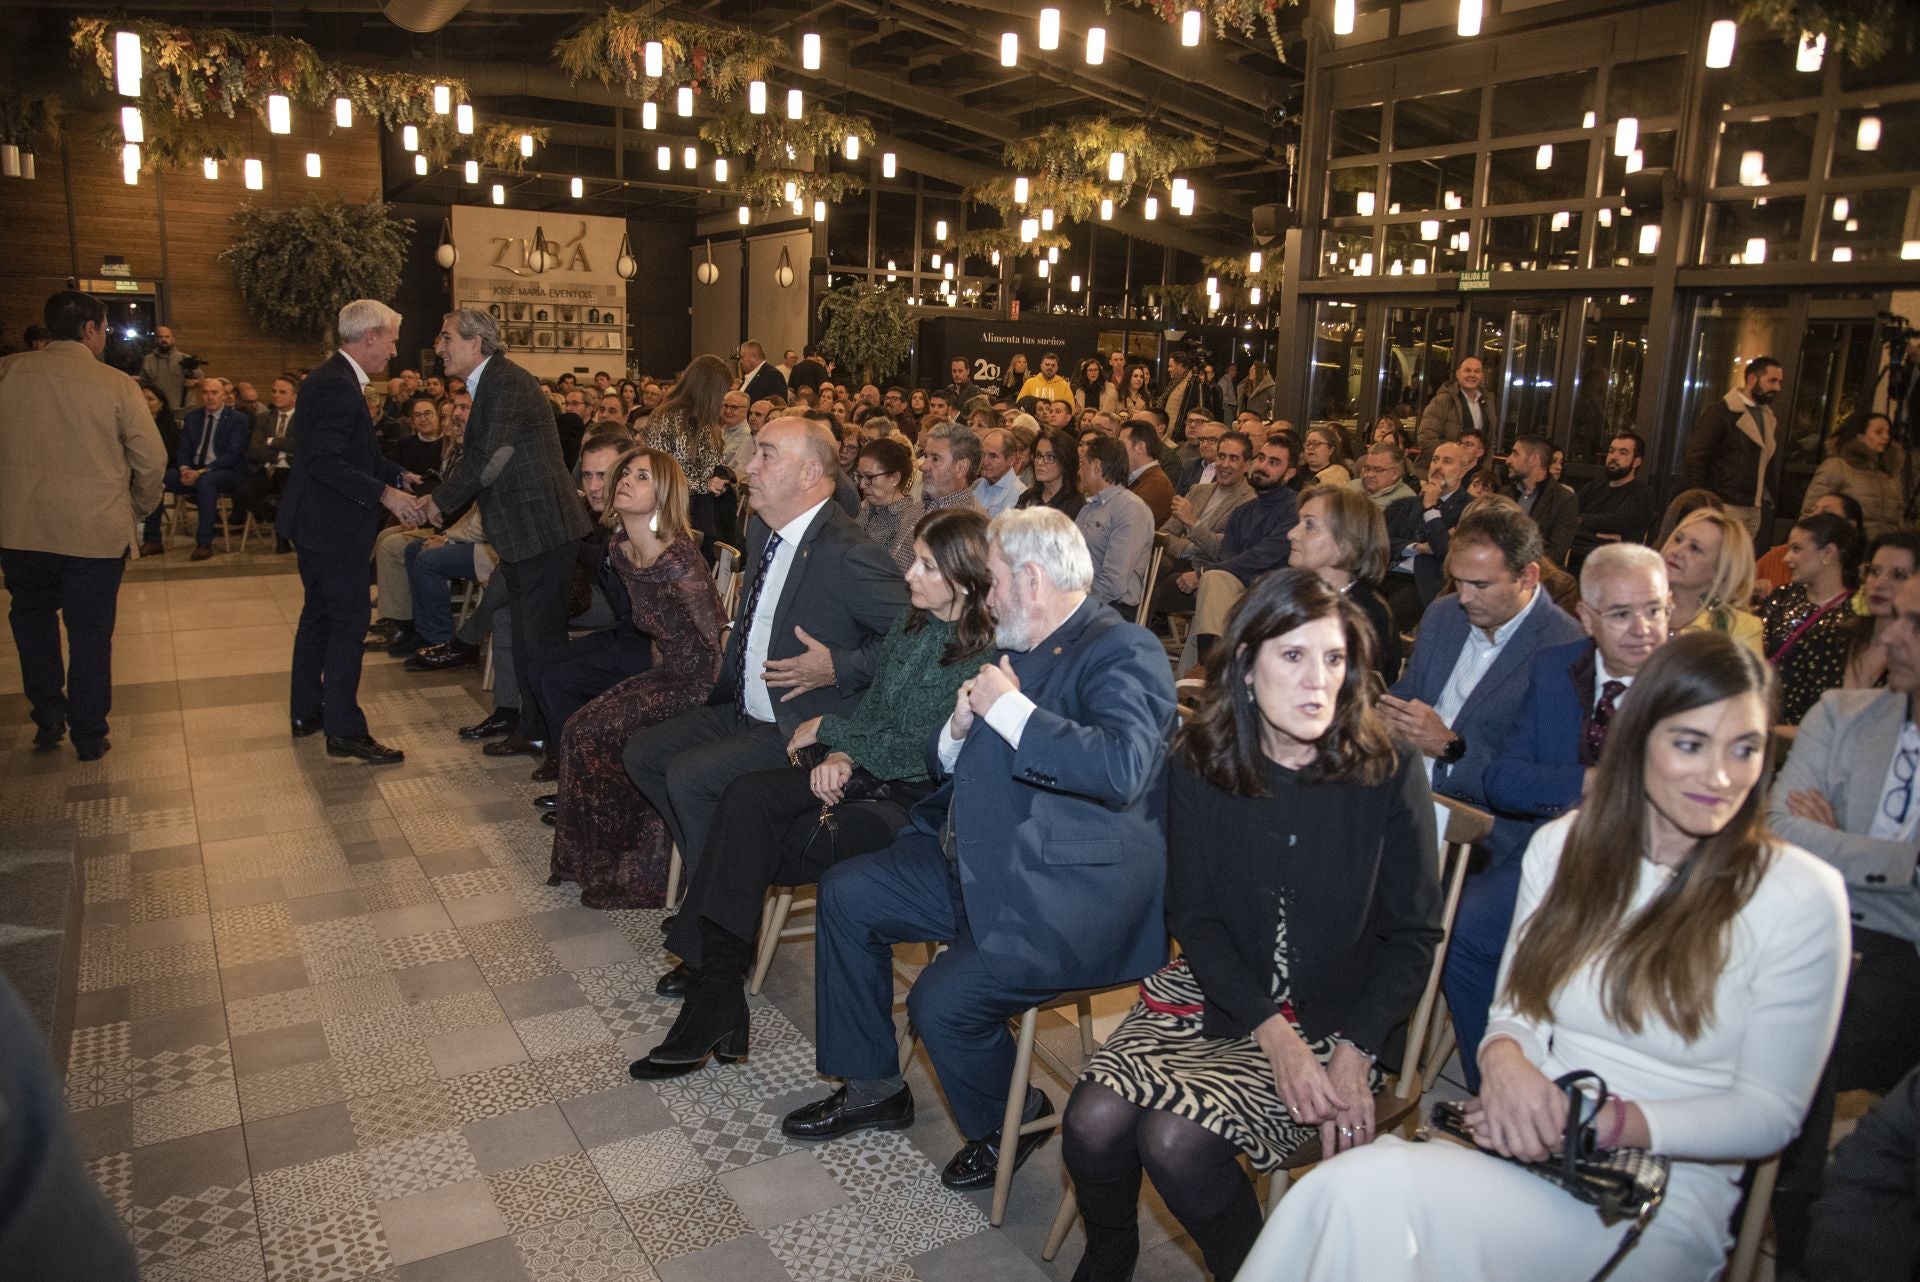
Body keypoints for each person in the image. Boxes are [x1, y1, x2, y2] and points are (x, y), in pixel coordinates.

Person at [1245, 630, 1850, 1282]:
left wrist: (1598, 1121)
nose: (1720, 776)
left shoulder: (1799, 895)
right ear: (1639, 738)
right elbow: (1518, 1009)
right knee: (1341, 1192)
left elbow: (1769, 1115)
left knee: (1374, 1219)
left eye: (1745, 749)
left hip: (1657, 1193)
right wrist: (1504, 1062)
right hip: (1536, 1144)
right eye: (1690, 744)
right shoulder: (1567, 846)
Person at [782, 508, 1177, 1197]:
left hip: (1061, 893)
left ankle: (1012, 1119)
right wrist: (960, 729)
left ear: (1030, 578)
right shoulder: (1018, 644)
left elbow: (1122, 769)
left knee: (941, 1003)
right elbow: (954, 764)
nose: (984, 597)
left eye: (991, 581)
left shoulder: (1122, 648)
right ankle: (874, 1087)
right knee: (848, 892)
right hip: (977, 860)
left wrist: (1010, 711)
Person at [1064, 569, 1439, 1281]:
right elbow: (1195, 916)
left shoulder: (1386, 765)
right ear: (1245, 663)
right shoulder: (1200, 760)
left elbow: (1415, 933)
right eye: (1293, 656)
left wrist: (1356, 1050)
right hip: (1221, 988)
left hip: (1339, 1014)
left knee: (1175, 1142)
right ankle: (1110, 1255)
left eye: (1334, 658)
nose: (1317, 681)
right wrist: (1272, 1034)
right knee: (1091, 1123)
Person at [631, 508, 998, 1077]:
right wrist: (844, 751)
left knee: (747, 844)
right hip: (864, 775)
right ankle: (717, 993)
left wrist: (835, 734)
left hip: (911, 807)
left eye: (927, 565)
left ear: (966, 578)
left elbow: (921, 754)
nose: (909, 574)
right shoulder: (913, 623)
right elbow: (876, 710)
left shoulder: (981, 658)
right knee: (745, 800)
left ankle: (713, 996)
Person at [622, 417, 910, 969]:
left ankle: (716, 935)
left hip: (803, 723)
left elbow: (914, 642)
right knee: (645, 753)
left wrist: (838, 665)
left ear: (809, 474)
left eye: (766, 455)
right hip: (747, 704)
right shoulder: (762, 529)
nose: (749, 467)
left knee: (693, 777)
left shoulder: (848, 552)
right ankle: (719, 892)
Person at [1454, 544, 1674, 1089]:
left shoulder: (1691, 685)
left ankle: (1571, 1096)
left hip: (1650, 872)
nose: (1643, 629)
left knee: (1589, 971)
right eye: (1621, 614)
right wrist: (1592, 782)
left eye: (1655, 610)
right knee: (1461, 933)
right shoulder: (1556, 667)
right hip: (1547, 854)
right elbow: (1504, 780)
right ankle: (1498, 1088)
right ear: (1587, 617)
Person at [1378, 502, 1585, 1080]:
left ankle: (1494, 1085)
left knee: (1459, 930)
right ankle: (1365, 1043)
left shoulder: (1563, 648)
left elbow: (1546, 779)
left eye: (1481, 585)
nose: (1464, 597)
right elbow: (1411, 691)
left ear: (1528, 577)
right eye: (1458, 580)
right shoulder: (1444, 615)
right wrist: (1383, 710)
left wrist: (1450, 746)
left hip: (1497, 830)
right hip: (1413, 801)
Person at [1769, 573, 1920, 1269]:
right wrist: (1902, 862)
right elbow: (1779, 828)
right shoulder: (1843, 714)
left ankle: (1796, 1237)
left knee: (1811, 1042)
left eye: (1914, 624)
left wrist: (1834, 842)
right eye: (1894, 618)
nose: (1892, 637)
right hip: (1809, 916)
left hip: (1902, 953)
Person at [542, 448, 723, 908]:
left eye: (642, 476)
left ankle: (641, 875)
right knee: (578, 728)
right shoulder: (621, 550)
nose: (625, 480)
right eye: (626, 473)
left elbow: (718, 638)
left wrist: (717, 711)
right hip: (667, 672)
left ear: (663, 494)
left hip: (700, 683)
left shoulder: (679, 560)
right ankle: (591, 862)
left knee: (602, 733)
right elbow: (654, 630)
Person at [0, 290, 166, 760]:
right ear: (90, 329)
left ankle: (48, 712)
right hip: (93, 533)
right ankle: (89, 733)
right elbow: (151, 459)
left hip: (21, 529)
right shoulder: (115, 384)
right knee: (90, 634)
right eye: (105, 330)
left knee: (32, 621)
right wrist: (139, 507)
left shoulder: (8, 372)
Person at [427, 308, 592, 756]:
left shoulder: (505, 381)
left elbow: (490, 457)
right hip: (524, 531)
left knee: (541, 642)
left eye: (446, 338)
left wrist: (437, 502)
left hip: (542, 529)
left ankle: (556, 741)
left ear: (475, 343)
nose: (439, 347)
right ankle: (532, 728)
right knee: (524, 637)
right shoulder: (491, 382)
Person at [278, 300, 424, 764]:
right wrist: (385, 494)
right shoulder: (337, 386)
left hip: (318, 523)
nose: (394, 351)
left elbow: (353, 453)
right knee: (348, 623)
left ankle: (307, 710)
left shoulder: (333, 378)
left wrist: (395, 472)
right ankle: (344, 729)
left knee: (318, 616)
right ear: (370, 336)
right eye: (392, 340)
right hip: (332, 527)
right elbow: (325, 462)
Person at [1172, 435, 1305, 672]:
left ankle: (1206, 669)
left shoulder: (1294, 509)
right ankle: (1207, 669)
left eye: (1274, 462)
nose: (1263, 466)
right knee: (1215, 583)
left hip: (1276, 588)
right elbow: (1228, 558)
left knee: (1213, 584)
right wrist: (1207, 573)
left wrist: (1201, 573)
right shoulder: (1243, 511)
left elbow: (1262, 557)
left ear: (1289, 474)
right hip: (1240, 584)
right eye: (1261, 458)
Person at [1759, 511, 1867, 725]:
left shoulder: (1855, 614)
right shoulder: (1782, 597)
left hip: (1815, 725)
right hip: (1765, 715)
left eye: (1796, 549)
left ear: (1828, 552)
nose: (1786, 558)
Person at [1286, 485, 1400, 679]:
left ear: (1345, 545)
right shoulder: (1289, 593)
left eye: (1310, 525)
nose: (1291, 533)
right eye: (1299, 522)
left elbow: (1348, 692)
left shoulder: (1366, 618)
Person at [138, 375, 249, 560]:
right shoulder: (193, 418)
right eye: (205, 393)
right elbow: (183, 449)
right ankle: (153, 539)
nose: (209, 397)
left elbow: (232, 454)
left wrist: (201, 472)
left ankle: (204, 543)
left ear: (224, 395)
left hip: (224, 471)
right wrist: (184, 468)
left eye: (214, 393)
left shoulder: (237, 419)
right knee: (158, 478)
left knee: (206, 482)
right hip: (193, 470)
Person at [1684, 355, 1782, 538]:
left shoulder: (1767, 417)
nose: (1777, 388)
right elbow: (1696, 458)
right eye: (1772, 381)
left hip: (1753, 506)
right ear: (1752, 379)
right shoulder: (1721, 412)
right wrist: (1703, 502)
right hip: (1724, 503)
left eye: (1778, 382)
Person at [639, 354, 731, 544]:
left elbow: (713, 463)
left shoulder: (709, 422)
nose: (724, 398)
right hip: (671, 513)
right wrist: (704, 485)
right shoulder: (665, 419)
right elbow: (659, 474)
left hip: (703, 511)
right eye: (723, 391)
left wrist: (718, 479)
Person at [1382, 439, 1471, 629]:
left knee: (1384, 619)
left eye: (1447, 461)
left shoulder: (1470, 509)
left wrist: (1431, 509)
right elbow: (1383, 541)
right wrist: (1417, 547)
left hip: (1423, 584)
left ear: (1463, 471)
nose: (1438, 466)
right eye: (1435, 460)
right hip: (1387, 573)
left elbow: (1444, 550)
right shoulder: (1408, 503)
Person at [1661, 506, 1764, 657]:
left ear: (1721, 570)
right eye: (1678, 539)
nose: (1676, 551)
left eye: (1695, 548)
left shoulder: (1739, 629)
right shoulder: (1632, 601)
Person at [1076, 435, 1156, 615]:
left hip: (1112, 609)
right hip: (1084, 600)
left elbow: (1114, 583)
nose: (1078, 472)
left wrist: (1073, 605)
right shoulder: (1088, 508)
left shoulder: (1130, 509)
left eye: (1082, 464)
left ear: (1096, 466)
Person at [1805, 411, 1904, 538]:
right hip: (1848, 543)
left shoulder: (1888, 472)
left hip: (1883, 545)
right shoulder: (1837, 466)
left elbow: (1898, 516)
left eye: (1888, 433)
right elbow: (1811, 509)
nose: (1886, 437)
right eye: (1878, 432)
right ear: (1860, 437)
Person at [1844, 532, 1920, 689]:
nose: (1879, 584)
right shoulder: (1834, 639)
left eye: (1898, 575)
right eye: (1874, 571)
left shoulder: (1912, 661)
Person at [1572, 430, 1659, 566]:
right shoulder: (1594, 486)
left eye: (1622, 453)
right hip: (1580, 555)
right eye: (1611, 451)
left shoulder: (1642, 493)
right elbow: (1568, 513)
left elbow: (1616, 521)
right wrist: (1594, 534)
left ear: (1636, 462)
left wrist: (1580, 521)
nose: (1613, 457)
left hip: (1616, 564)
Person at [1503, 433, 1579, 566]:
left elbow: (1555, 553)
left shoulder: (1564, 500)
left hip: (1539, 574)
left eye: (1515, 454)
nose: (1508, 460)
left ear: (1534, 459)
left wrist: (1515, 567)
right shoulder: (1505, 493)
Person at [852, 437, 925, 571]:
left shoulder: (908, 523)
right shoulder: (866, 508)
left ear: (895, 479)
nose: (862, 485)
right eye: (860, 477)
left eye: (869, 477)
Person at [1414, 356, 1496, 460]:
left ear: (1482, 376)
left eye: (1477, 371)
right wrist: (1449, 461)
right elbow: (1426, 437)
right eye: (1467, 370)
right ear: (1458, 374)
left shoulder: (1488, 402)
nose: (1472, 375)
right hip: (1445, 467)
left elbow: (1490, 440)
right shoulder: (1443, 400)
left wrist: (1486, 466)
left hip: (1476, 468)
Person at [919, 420, 985, 513]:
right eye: (926, 457)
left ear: (961, 468)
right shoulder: (924, 504)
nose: (924, 467)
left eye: (935, 459)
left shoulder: (965, 519)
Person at [1017, 428, 1084, 519]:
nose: (1040, 462)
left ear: (1065, 462)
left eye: (1050, 457)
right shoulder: (1026, 497)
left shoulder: (1076, 505)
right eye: (1038, 455)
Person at [971, 427, 1026, 517]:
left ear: (1011, 459)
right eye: (983, 454)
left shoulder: (1019, 494)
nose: (984, 461)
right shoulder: (977, 484)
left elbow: (1001, 526)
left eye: (993, 456)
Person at [1349, 441, 1415, 511]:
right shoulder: (1353, 486)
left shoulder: (1406, 501)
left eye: (1377, 470)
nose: (1369, 475)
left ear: (1395, 474)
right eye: (1368, 468)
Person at [139, 323, 188, 412]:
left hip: (181, 410)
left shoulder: (185, 359)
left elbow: (201, 381)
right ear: (156, 340)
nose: (164, 340)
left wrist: (194, 382)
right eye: (160, 337)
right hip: (157, 410)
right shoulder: (148, 360)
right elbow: (143, 384)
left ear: (173, 340)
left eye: (167, 337)